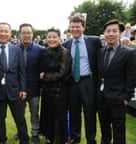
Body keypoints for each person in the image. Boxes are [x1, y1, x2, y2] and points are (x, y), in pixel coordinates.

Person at [62, 14, 101, 144]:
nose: (75, 29)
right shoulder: (66, 44)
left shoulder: (94, 41)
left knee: (90, 112)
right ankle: (75, 137)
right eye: (72, 27)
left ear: (83, 27)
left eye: (78, 27)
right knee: (74, 111)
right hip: (72, 82)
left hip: (88, 81)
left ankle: (91, 139)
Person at [97, 19, 136, 144]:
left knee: (119, 133)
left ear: (120, 33)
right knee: (105, 131)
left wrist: (126, 98)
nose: (111, 34)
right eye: (108, 31)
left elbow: (131, 77)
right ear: (104, 33)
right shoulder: (100, 52)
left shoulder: (129, 53)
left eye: (114, 31)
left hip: (118, 100)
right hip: (102, 99)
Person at [14, 23, 45, 144]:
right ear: (20, 34)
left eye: (29, 32)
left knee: (34, 113)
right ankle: (21, 132)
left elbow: (44, 68)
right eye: (24, 33)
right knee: (19, 114)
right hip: (18, 88)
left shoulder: (41, 50)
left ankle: (35, 133)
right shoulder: (13, 49)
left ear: (33, 34)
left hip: (35, 88)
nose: (26, 35)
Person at [39, 28, 71, 144]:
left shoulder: (64, 52)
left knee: (59, 117)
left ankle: (61, 140)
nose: (51, 39)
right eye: (49, 37)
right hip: (47, 91)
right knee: (49, 116)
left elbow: (62, 73)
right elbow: (41, 68)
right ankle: (51, 138)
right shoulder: (45, 51)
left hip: (60, 91)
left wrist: (45, 76)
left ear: (59, 38)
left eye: (54, 37)